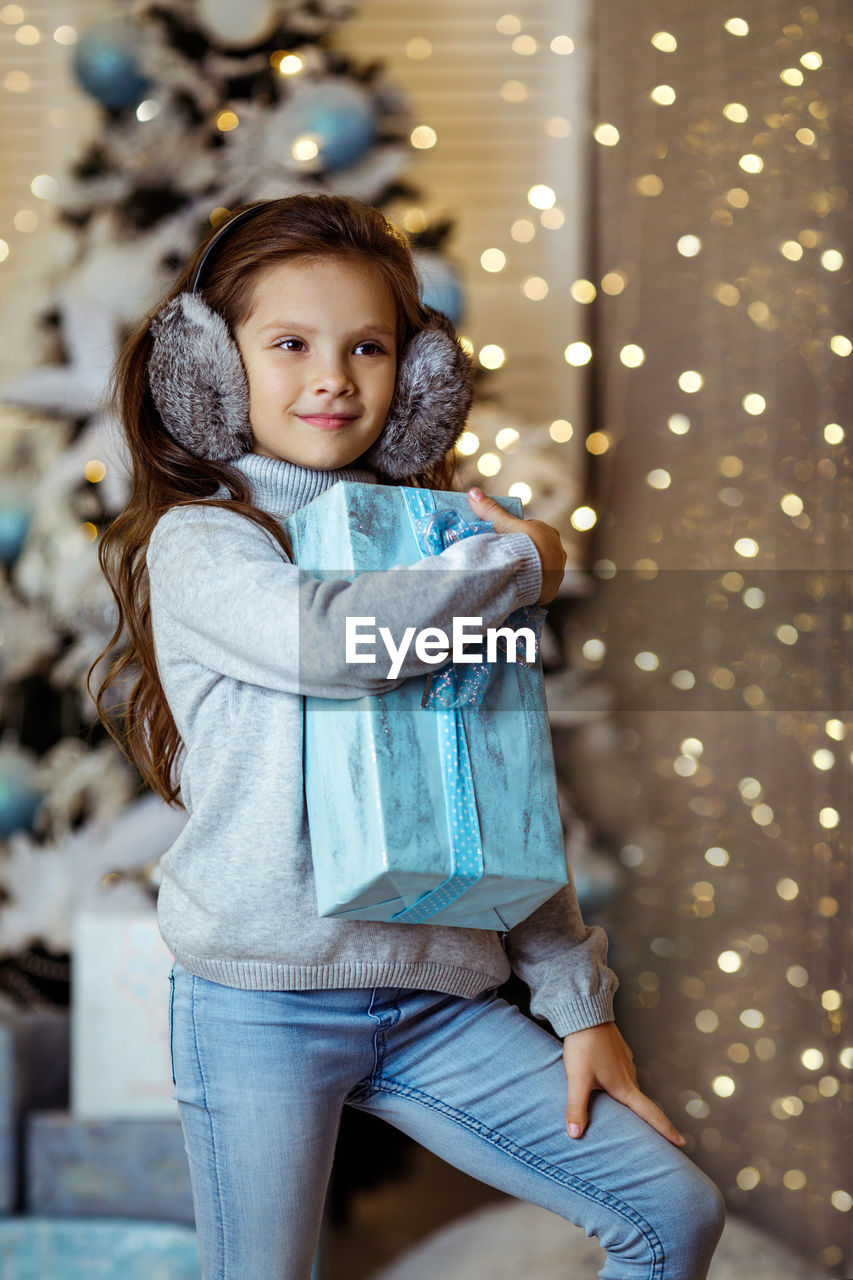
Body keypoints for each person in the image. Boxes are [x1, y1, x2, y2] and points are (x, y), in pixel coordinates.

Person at [90, 193, 725, 1280]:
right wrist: (521, 561)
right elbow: (332, 640)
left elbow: (500, 785)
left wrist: (579, 1003)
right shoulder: (204, 542)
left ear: (416, 378)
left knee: (671, 1210)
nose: (333, 377)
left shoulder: (446, 546)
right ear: (209, 367)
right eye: (289, 343)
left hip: (438, 995)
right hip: (264, 1000)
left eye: (369, 347)